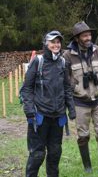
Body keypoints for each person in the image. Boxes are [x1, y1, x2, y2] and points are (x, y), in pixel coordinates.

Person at [21, 31, 76, 177]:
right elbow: (26, 88)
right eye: (53, 42)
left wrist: (71, 107)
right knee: (37, 154)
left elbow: (67, 87)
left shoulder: (63, 63)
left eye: (58, 42)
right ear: (46, 44)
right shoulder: (38, 62)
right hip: (40, 117)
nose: (56, 45)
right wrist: (29, 111)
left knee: (55, 153)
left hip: (58, 117)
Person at [63, 21, 98, 173]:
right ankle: (87, 167)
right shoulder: (67, 55)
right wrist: (76, 88)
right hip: (80, 102)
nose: (88, 37)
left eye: (89, 34)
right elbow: (65, 76)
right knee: (83, 136)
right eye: (84, 35)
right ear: (77, 38)